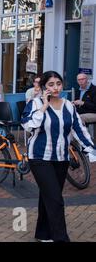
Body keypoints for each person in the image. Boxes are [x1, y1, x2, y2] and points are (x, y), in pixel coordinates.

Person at [21, 71, 96, 242]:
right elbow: (28, 125)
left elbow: (79, 129)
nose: (55, 88)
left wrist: (91, 149)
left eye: (58, 84)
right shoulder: (35, 104)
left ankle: (43, 233)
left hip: (61, 159)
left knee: (48, 196)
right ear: (43, 87)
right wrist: (44, 106)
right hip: (39, 157)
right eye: (51, 84)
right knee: (56, 199)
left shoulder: (69, 105)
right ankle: (61, 238)